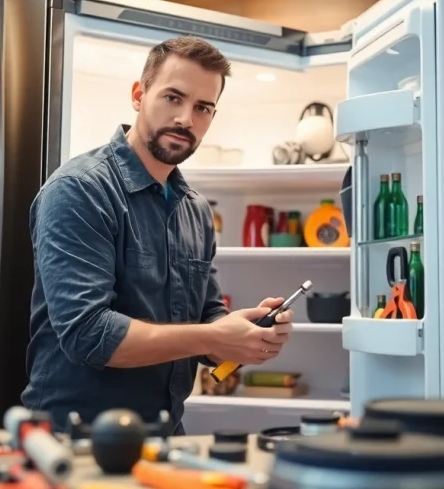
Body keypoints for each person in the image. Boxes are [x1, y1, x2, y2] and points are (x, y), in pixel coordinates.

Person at [21, 36, 294, 433]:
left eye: (203, 107)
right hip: (78, 436)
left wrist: (244, 334)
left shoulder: (195, 209)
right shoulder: (80, 190)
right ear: (139, 94)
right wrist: (215, 335)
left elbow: (204, 315)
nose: (186, 118)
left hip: (165, 431)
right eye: (173, 97)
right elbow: (88, 334)